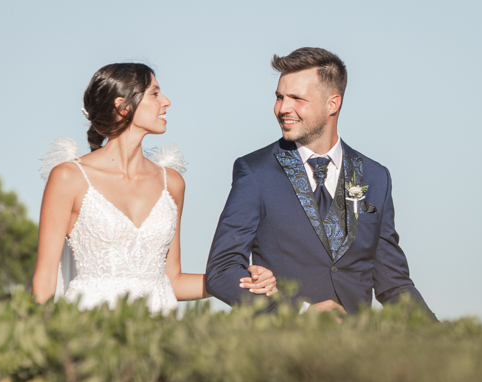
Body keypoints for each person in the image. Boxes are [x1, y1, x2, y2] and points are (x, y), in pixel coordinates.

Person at [205, 47, 435, 319]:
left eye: (296, 98)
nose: (283, 108)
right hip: (283, 348)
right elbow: (222, 270)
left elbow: (393, 283)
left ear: (332, 104)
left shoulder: (376, 177)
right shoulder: (255, 172)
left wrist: (446, 340)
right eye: (279, 97)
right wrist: (298, 314)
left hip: (358, 350)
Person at [32, 63, 276, 310]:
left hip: (157, 330)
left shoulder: (171, 183)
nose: (166, 101)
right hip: (90, 327)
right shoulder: (69, 177)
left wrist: (242, 281)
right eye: (155, 93)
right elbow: (45, 280)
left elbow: (174, 281)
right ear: (123, 105)